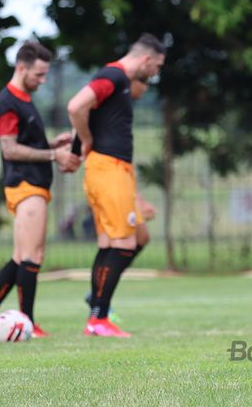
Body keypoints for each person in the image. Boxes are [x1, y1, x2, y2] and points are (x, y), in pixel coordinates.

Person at [0, 42, 80, 338]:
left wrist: (49, 145)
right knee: (33, 256)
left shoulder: (24, 99)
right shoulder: (7, 101)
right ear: (22, 68)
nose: (42, 80)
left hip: (31, 183)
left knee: (21, 256)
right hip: (25, 184)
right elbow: (9, 149)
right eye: (39, 74)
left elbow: (26, 144)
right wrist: (53, 156)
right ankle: (27, 324)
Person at [68, 33, 165, 338]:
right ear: (146, 59)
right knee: (123, 244)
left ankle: (97, 309)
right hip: (108, 169)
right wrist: (83, 141)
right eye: (157, 66)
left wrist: (77, 144)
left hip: (111, 169)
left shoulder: (118, 81)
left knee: (114, 243)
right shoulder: (114, 75)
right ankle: (98, 316)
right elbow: (75, 106)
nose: (156, 73)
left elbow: (91, 115)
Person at [81, 77, 157, 322]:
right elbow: (79, 115)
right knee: (115, 243)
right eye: (143, 82)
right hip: (106, 176)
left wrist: (138, 196)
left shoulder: (122, 108)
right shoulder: (110, 98)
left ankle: (99, 297)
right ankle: (99, 303)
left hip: (120, 177)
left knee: (141, 237)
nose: (145, 89)